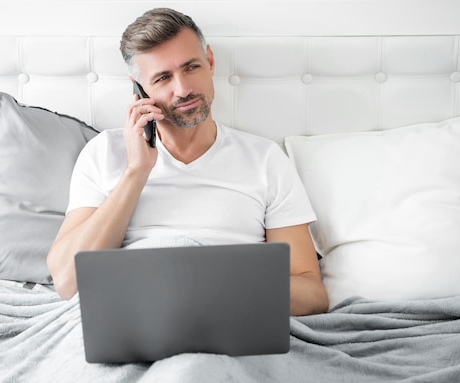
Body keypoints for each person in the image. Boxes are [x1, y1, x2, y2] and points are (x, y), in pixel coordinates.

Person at [47, 8, 329, 316]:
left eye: (191, 67)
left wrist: (217, 284)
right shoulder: (103, 153)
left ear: (209, 61)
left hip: (229, 317)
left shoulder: (265, 160)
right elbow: (67, 281)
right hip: (133, 318)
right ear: (139, 89)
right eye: (163, 78)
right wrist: (136, 172)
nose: (183, 90)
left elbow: (312, 294)